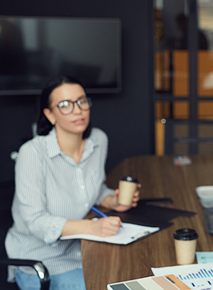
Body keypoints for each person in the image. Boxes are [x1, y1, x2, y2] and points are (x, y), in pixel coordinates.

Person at [5, 75, 140, 290]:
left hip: (87, 250)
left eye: (82, 101)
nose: (77, 110)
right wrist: (93, 227)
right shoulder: (32, 153)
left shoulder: (98, 140)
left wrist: (112, 201)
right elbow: (36, 222)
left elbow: (92, 190)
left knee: (133, 275)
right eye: (65, 105)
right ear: (50, 115)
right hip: (42, 261)